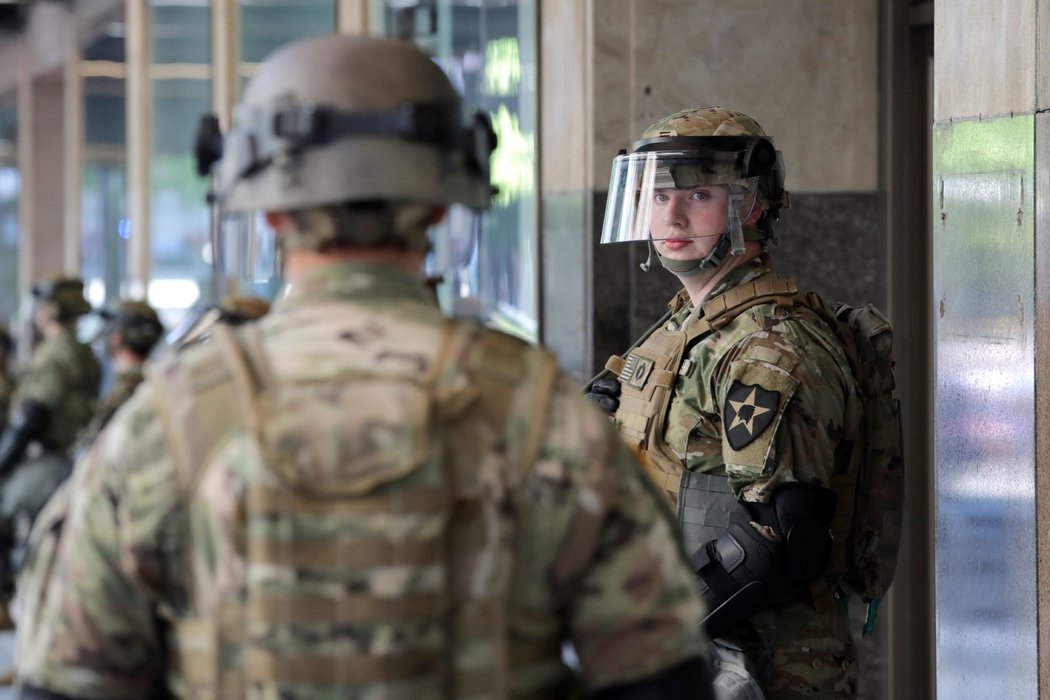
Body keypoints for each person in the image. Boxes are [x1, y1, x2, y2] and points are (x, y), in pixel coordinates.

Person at [16, 36, 714, 699]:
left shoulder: (165, 422)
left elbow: (67, 679)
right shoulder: (545, 415)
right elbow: (659, 675)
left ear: (270, 216)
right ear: (443, 203)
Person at [588, 106, 865, 698]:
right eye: (658, 196)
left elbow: (779, 541)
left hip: (765, 668)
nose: (673, 215)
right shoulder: (688, 326)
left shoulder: (769, 348)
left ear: (750, 207)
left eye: (700, 194)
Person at [0, 277, 99, 632]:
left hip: (53, 457)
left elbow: (32, 414)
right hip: (60, 455)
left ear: (53, 310)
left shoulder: (60, 351)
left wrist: (3, 461)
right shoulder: (75, 348)